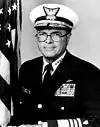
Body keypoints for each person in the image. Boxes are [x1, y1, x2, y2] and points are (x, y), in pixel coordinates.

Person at [10, 3, 100, 127]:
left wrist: (46, 126)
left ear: (68, 37)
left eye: (56, 34)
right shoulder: (27, 69)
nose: (48, 40)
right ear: (37, 37)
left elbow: (95, 121)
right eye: (42, 34)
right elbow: (20, 114)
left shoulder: (88, 73)